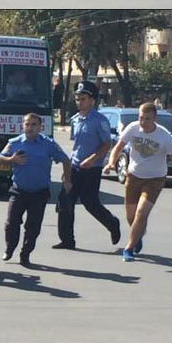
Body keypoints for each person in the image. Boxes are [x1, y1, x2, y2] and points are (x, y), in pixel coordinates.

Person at [106, 101, 172, 262]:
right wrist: (111, 162)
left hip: (155, 179)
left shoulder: (165, 136)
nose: (143, 122)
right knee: (131, 216)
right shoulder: (133, 128)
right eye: (141, 118)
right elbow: (118, 147)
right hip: (133, 176)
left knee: (141, 212)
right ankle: (138, 237)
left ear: (155, 119)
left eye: (147, 119)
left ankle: (129, 248)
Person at [0, 114, 72, 268]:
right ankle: (9, 248)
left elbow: (65, 160)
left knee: (33, 227)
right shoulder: (15, 143)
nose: (30, 128)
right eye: (27, 124)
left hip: (39, 192)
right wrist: (12, 160)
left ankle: (25, 254)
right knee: (11, 223)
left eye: (33, 125)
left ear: (40, 127)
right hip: (19, 190)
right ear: (23, 126)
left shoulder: (48, 144)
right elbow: (0, 158)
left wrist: (67, 180)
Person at [55, 80, 121, 251]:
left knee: (90, 203)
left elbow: (107, 144)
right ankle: (67, 240)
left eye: (83, 98)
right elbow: (76, 146)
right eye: (78, 98)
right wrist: (67, 170)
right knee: (65, 202)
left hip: (92, 169)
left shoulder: (100, 120)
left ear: (92, 101)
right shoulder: (75, 120)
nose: (80, 102)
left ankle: (112, 223)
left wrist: (93, 159)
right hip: (75, 167)